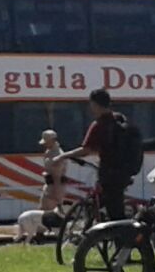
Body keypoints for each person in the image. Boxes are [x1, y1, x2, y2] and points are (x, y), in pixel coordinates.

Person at [52, 89, 129, 220]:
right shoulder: (120, 119)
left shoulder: (99, 125)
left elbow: (85, 150)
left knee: (115, 214)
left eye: (91, 104)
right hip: (125, 170)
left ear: (95, 104)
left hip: (108, 173)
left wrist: (62, 156)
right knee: (114, 207)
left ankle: (123, 238)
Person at [39, 130, 67, 212]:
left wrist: (57, 195)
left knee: (48, 213)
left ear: (53, 140)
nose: (44, 144)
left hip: (54, 187)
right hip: (49, 185)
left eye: (46, 141)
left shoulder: (57, 155)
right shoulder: (49, 151)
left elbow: (57, 176)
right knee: (43, 210)